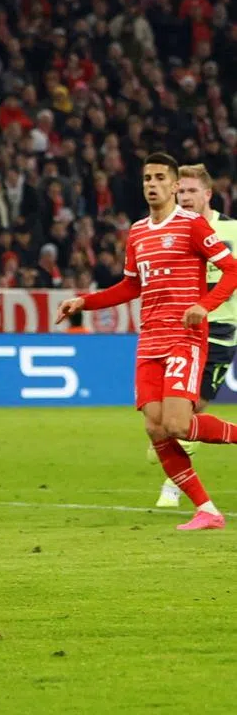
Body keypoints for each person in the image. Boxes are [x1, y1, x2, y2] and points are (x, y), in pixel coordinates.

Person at [56, 154, 237, 530]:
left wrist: (204, 305)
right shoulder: (138, 232)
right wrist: (84, 301)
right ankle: (207, 510)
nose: (151, 184)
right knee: (155, 428)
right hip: (149, 340)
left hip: (184, 337)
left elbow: (231, 270)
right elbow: (131, 285)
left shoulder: (193, 226)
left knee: (176, 423)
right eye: (146, 179)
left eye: (159, 178)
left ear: (174, 186)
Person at [150, 164, 237, 508]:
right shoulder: (173, 230)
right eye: (180, 192)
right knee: (171, 417)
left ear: (207, 194)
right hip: (180, 331)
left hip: (218, 332)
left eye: (190, 192)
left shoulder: (230, 229)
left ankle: (174, 479)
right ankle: (176, 482)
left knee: (193, 409)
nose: (184, 198)